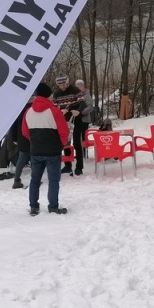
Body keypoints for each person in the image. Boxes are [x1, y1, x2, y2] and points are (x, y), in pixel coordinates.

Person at [22, 82, 70, 215]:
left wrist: (35, 141)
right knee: (53, 180)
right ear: (48, 96)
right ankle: (53, 206)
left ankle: (33, 206)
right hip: (53, 151)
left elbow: (25, 132)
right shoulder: (54, 111)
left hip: (36, 151)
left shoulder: (28, 111)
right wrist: (61, 144)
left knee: (35, 179)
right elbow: (64, 132)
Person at [51, 75, 84, 175]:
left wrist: (78, 111)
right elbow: (53, 106)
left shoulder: (75, 90)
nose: (63, 86)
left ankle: (79, 167)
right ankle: (67, 165)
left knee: (77, 143)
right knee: (66, 142)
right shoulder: (56, 93)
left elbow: (83, 103)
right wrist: (59, 110)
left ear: (68, 82)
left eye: (64, 84)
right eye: (60, 84)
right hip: (64, 120)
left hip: (76, 119)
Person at [71, 79, 94, 176]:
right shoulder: (75, 96)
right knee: (77, 139)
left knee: (83, 138)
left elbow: (90, 107)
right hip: (76, 120)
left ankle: (85, 154)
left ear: (83, 86)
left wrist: (81, 112)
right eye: (77, 86)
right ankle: (80, 155)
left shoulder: (87, 96)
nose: (79, 88)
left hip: (84, 120)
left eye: (80, 86)